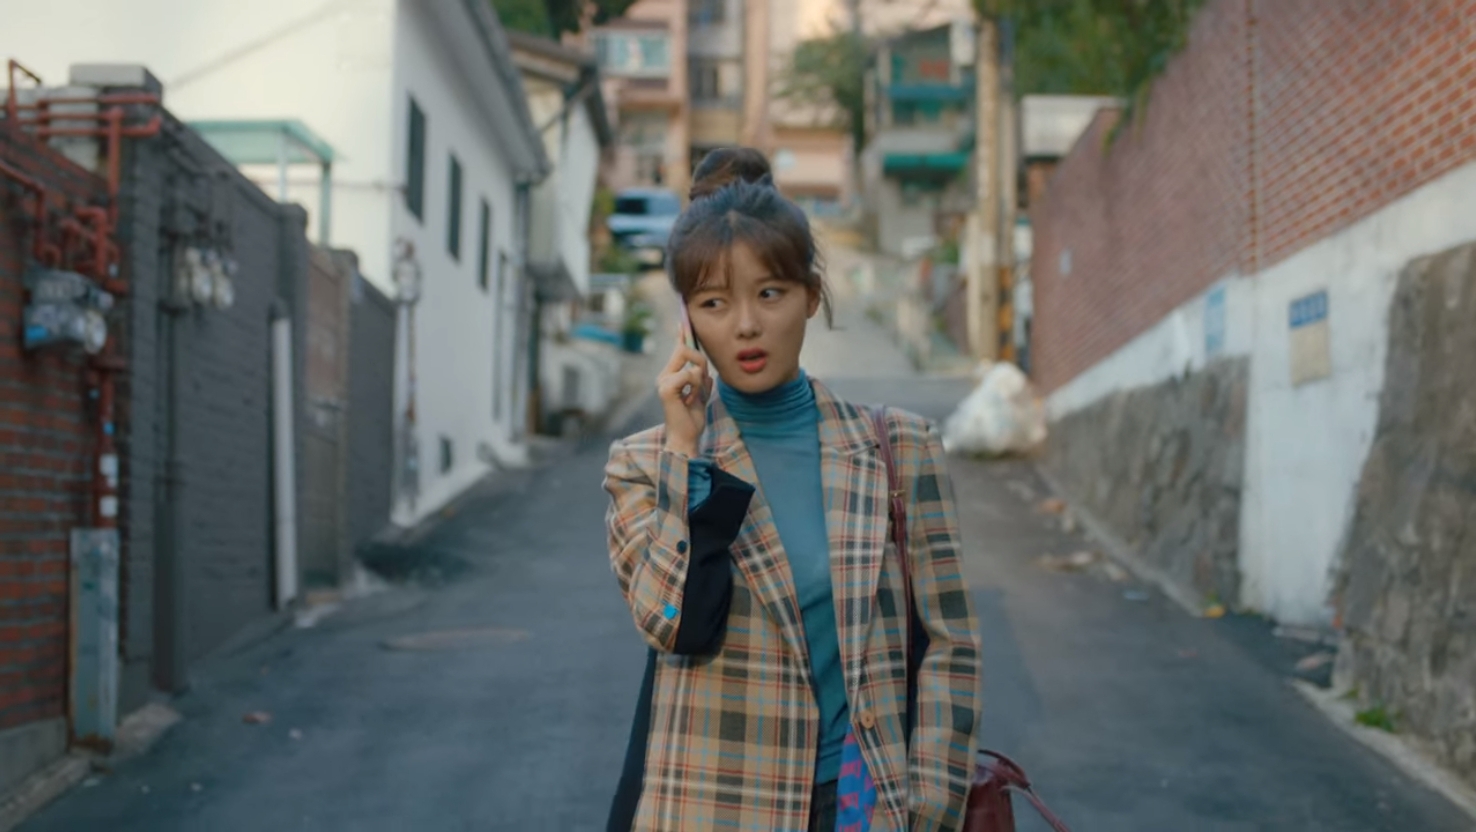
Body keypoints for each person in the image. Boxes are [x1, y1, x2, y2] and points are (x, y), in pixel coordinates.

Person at [604, 147, 981, 832]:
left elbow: (950, 643)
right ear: (688, 321)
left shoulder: (900, 449)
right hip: (712, 810)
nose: (745, 325)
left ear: (811, 295)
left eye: (769, 294)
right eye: (714, 303)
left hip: (863, 804)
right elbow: (672, 623)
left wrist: (930, 803)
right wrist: (686, 454)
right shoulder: (644, 465)